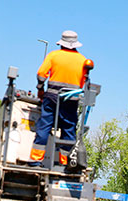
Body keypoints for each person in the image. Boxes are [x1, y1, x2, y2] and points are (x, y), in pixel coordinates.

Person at [29, 30, 88, 167]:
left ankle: (36, 160)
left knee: (44, 126)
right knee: (68, 130)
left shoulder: (53, 55)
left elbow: (41, 74)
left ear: (61, 43)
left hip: (52, 97)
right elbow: (83, 82)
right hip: (71, 100)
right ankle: (64, 162)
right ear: (76, 45)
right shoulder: (83, 60)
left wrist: (40, 89)